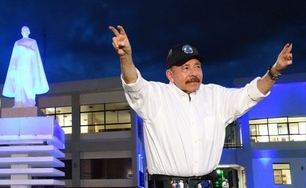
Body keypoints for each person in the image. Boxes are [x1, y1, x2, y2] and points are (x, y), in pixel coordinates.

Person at [109, 25, 293, 177]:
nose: (194, 73)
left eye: (197, 66)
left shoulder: (215, 96)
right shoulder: (156, 96)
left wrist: (274, 71)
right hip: (162, 187)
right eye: (186, 67)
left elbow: (250, 94)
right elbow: (134, 84)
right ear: (170, 75)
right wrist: (126, 57)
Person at [2, 26, 49, 107]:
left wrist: (24, 49)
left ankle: (30, 102)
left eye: (25, 30)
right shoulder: (17, 42)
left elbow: (34, 53)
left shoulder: (32, 41)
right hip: (19, 66)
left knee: (28, 82)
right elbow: (14, 57)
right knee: (19, 83)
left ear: (28, 31)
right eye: (22, 30)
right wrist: (13, 68)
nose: (23, 31)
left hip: (28, 65)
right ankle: (18, 102)